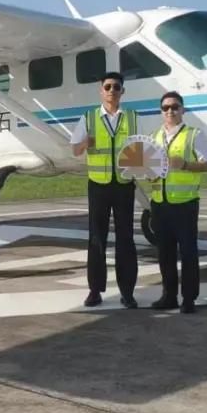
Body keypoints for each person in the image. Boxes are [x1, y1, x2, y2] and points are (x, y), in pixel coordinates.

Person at [69, 72, 140, 308]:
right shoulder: (89, 117)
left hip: (124, 184)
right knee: (97, 238)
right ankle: (95, 290)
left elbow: (140, 150)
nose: (112, 90)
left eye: (116, 87)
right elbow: (75, 150)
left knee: (126, 239)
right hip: (98, 185)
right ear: (101, 91)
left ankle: (127, 292)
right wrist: (85, 144)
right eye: (107, 86)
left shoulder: (132, 118)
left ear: (122, 91)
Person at [147, 91, 207, 314]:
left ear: (183, 110)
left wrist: (184, 164)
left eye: (175, 107)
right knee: (164, 252)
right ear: (161, 111)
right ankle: (169, 295)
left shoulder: (195, 135)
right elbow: (148, 169)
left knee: (188, 252)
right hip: (160, 202)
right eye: (166, 108)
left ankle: (188, 298)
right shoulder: (153, 137)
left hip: (185, 203)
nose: (170, 111)